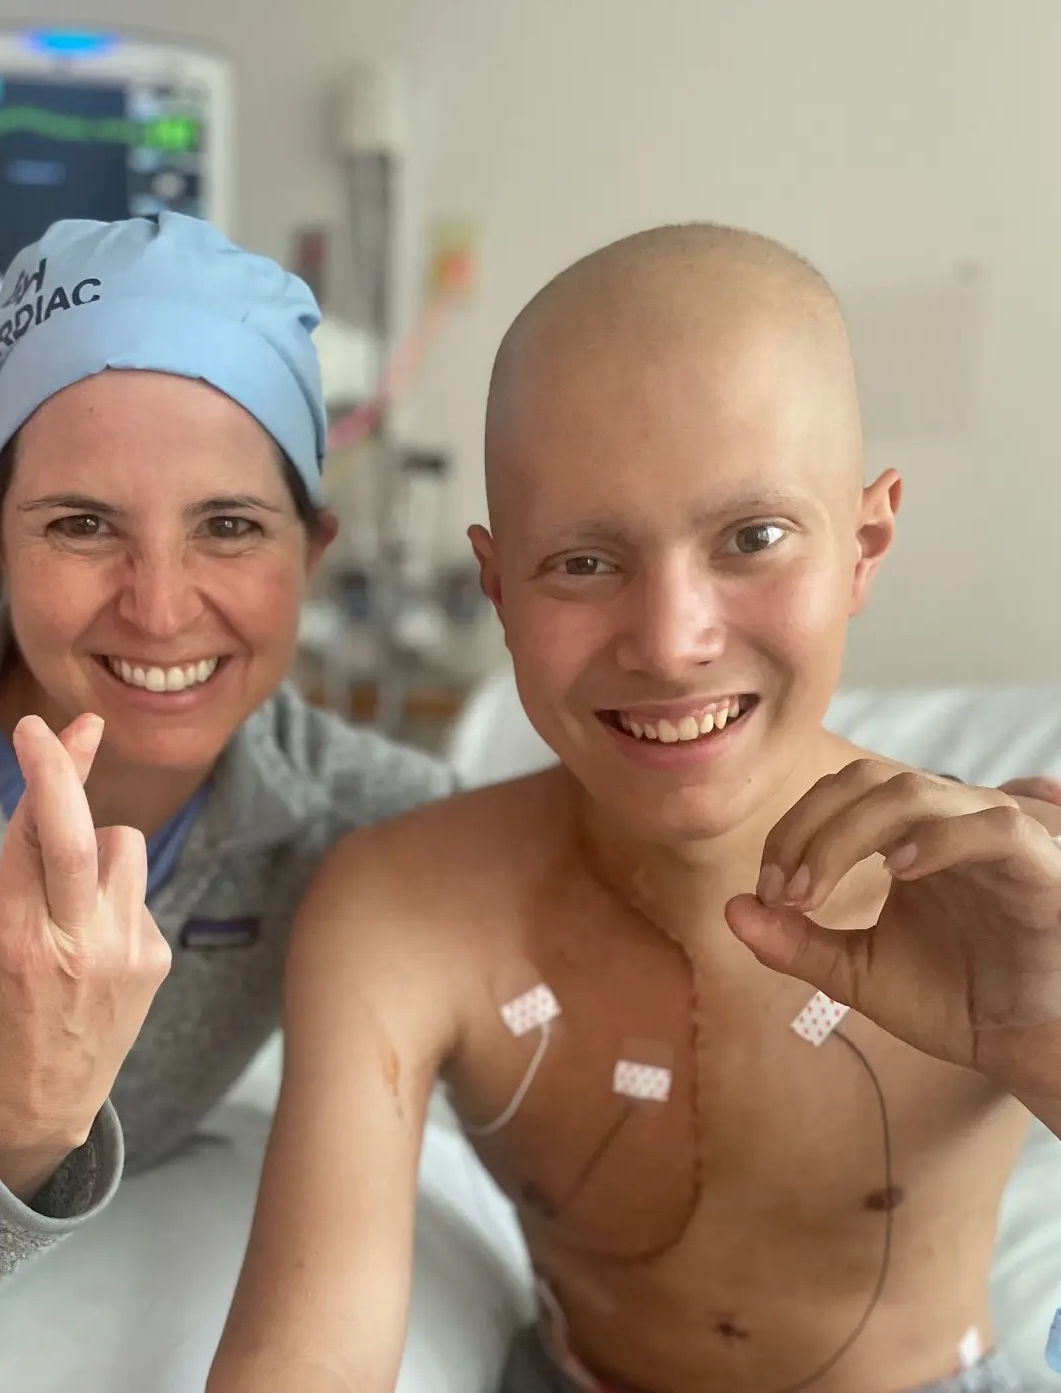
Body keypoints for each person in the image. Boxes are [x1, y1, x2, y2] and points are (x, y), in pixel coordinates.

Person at [207, 225, 1061, 1393]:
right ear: (496, 587)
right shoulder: (401, 911)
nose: (670, 644)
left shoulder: (1001, 903)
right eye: (583, 562)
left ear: (863, 545)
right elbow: (307, 1353)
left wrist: (1041, 1033)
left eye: (750, 538)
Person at [0, 212, 458, 1353]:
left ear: (315, 546)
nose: (158, 607)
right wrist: (16, 1117)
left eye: (230, 527)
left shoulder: (374, 828)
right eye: (83, 524)